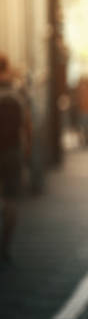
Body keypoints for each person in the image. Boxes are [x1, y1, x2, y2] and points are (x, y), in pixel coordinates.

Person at [0, 53, 31, 264]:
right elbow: (27, 126)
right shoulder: (17, 92)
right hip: (12, 152)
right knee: (11, 201)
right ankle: (5, 246)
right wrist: (26, 152)